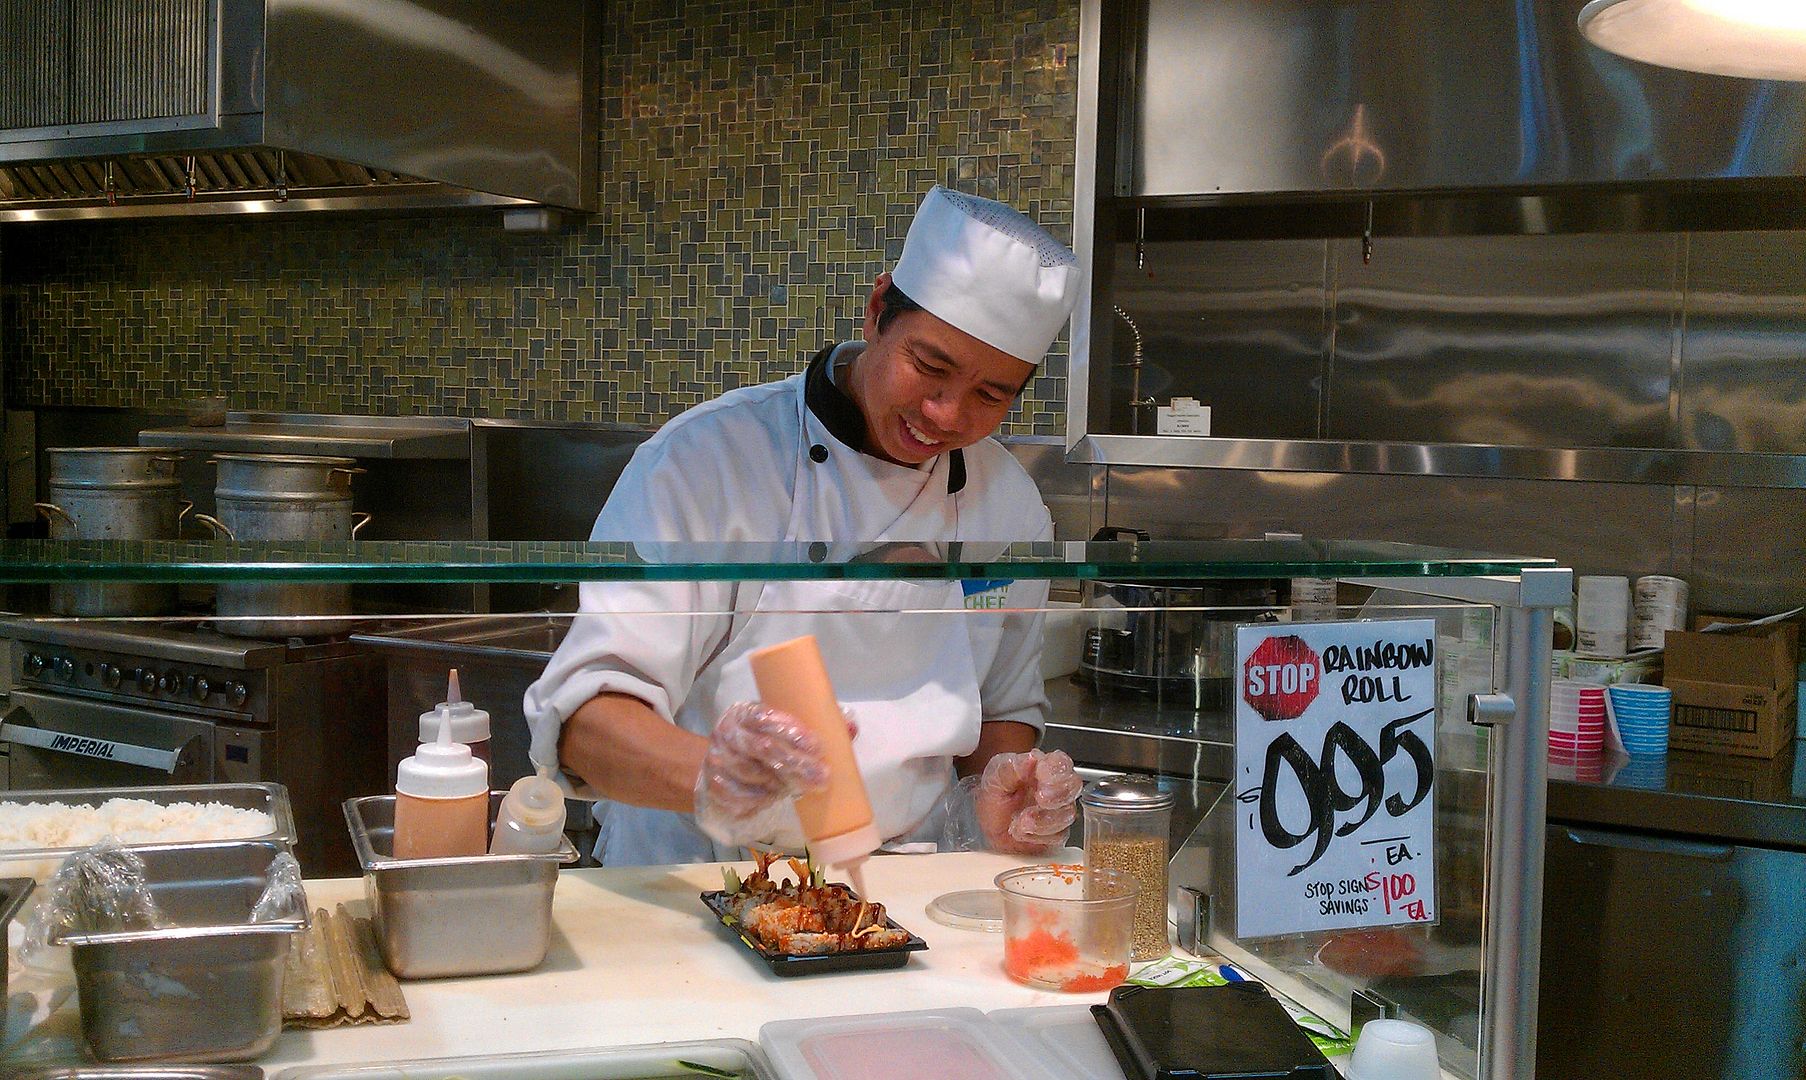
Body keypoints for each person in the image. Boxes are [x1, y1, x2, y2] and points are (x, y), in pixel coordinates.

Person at [524, 186, 1085, 866]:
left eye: (990, 396)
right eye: (929, 367)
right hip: (698, 881)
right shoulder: (706, 462)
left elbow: (1002, 708)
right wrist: (713, 777)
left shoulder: (1009, 502)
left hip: (906, 896)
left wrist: (998, 799)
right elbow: (588, 722)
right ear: (879, 311)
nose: (945, 414)